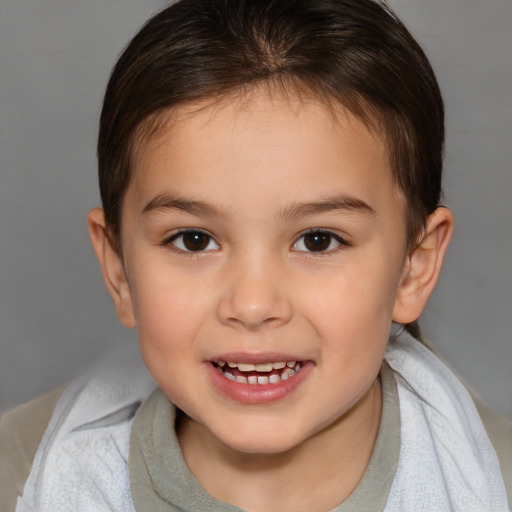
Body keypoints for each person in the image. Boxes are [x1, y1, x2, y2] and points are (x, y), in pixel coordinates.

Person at [0, 0, 510, 510]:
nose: (252, 304)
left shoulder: (493, 481)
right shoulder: (23, 476)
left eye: (318, 240)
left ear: (412, 268)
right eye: (194, 240)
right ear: (119, 271)